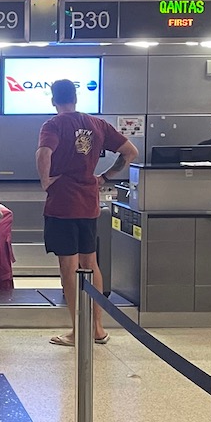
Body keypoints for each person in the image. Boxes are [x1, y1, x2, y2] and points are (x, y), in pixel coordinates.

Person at [36, 78, 136, 348]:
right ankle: (98, 328)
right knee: (90, 263)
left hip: (62, 202)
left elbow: (44, 153)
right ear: (76, 98)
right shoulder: (98, 124)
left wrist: (46, 181)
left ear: (53, 99)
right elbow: (130, 152)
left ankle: (77, 330)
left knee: (68, 266)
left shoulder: (53, 124)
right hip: (88, 202)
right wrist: (106, 176)